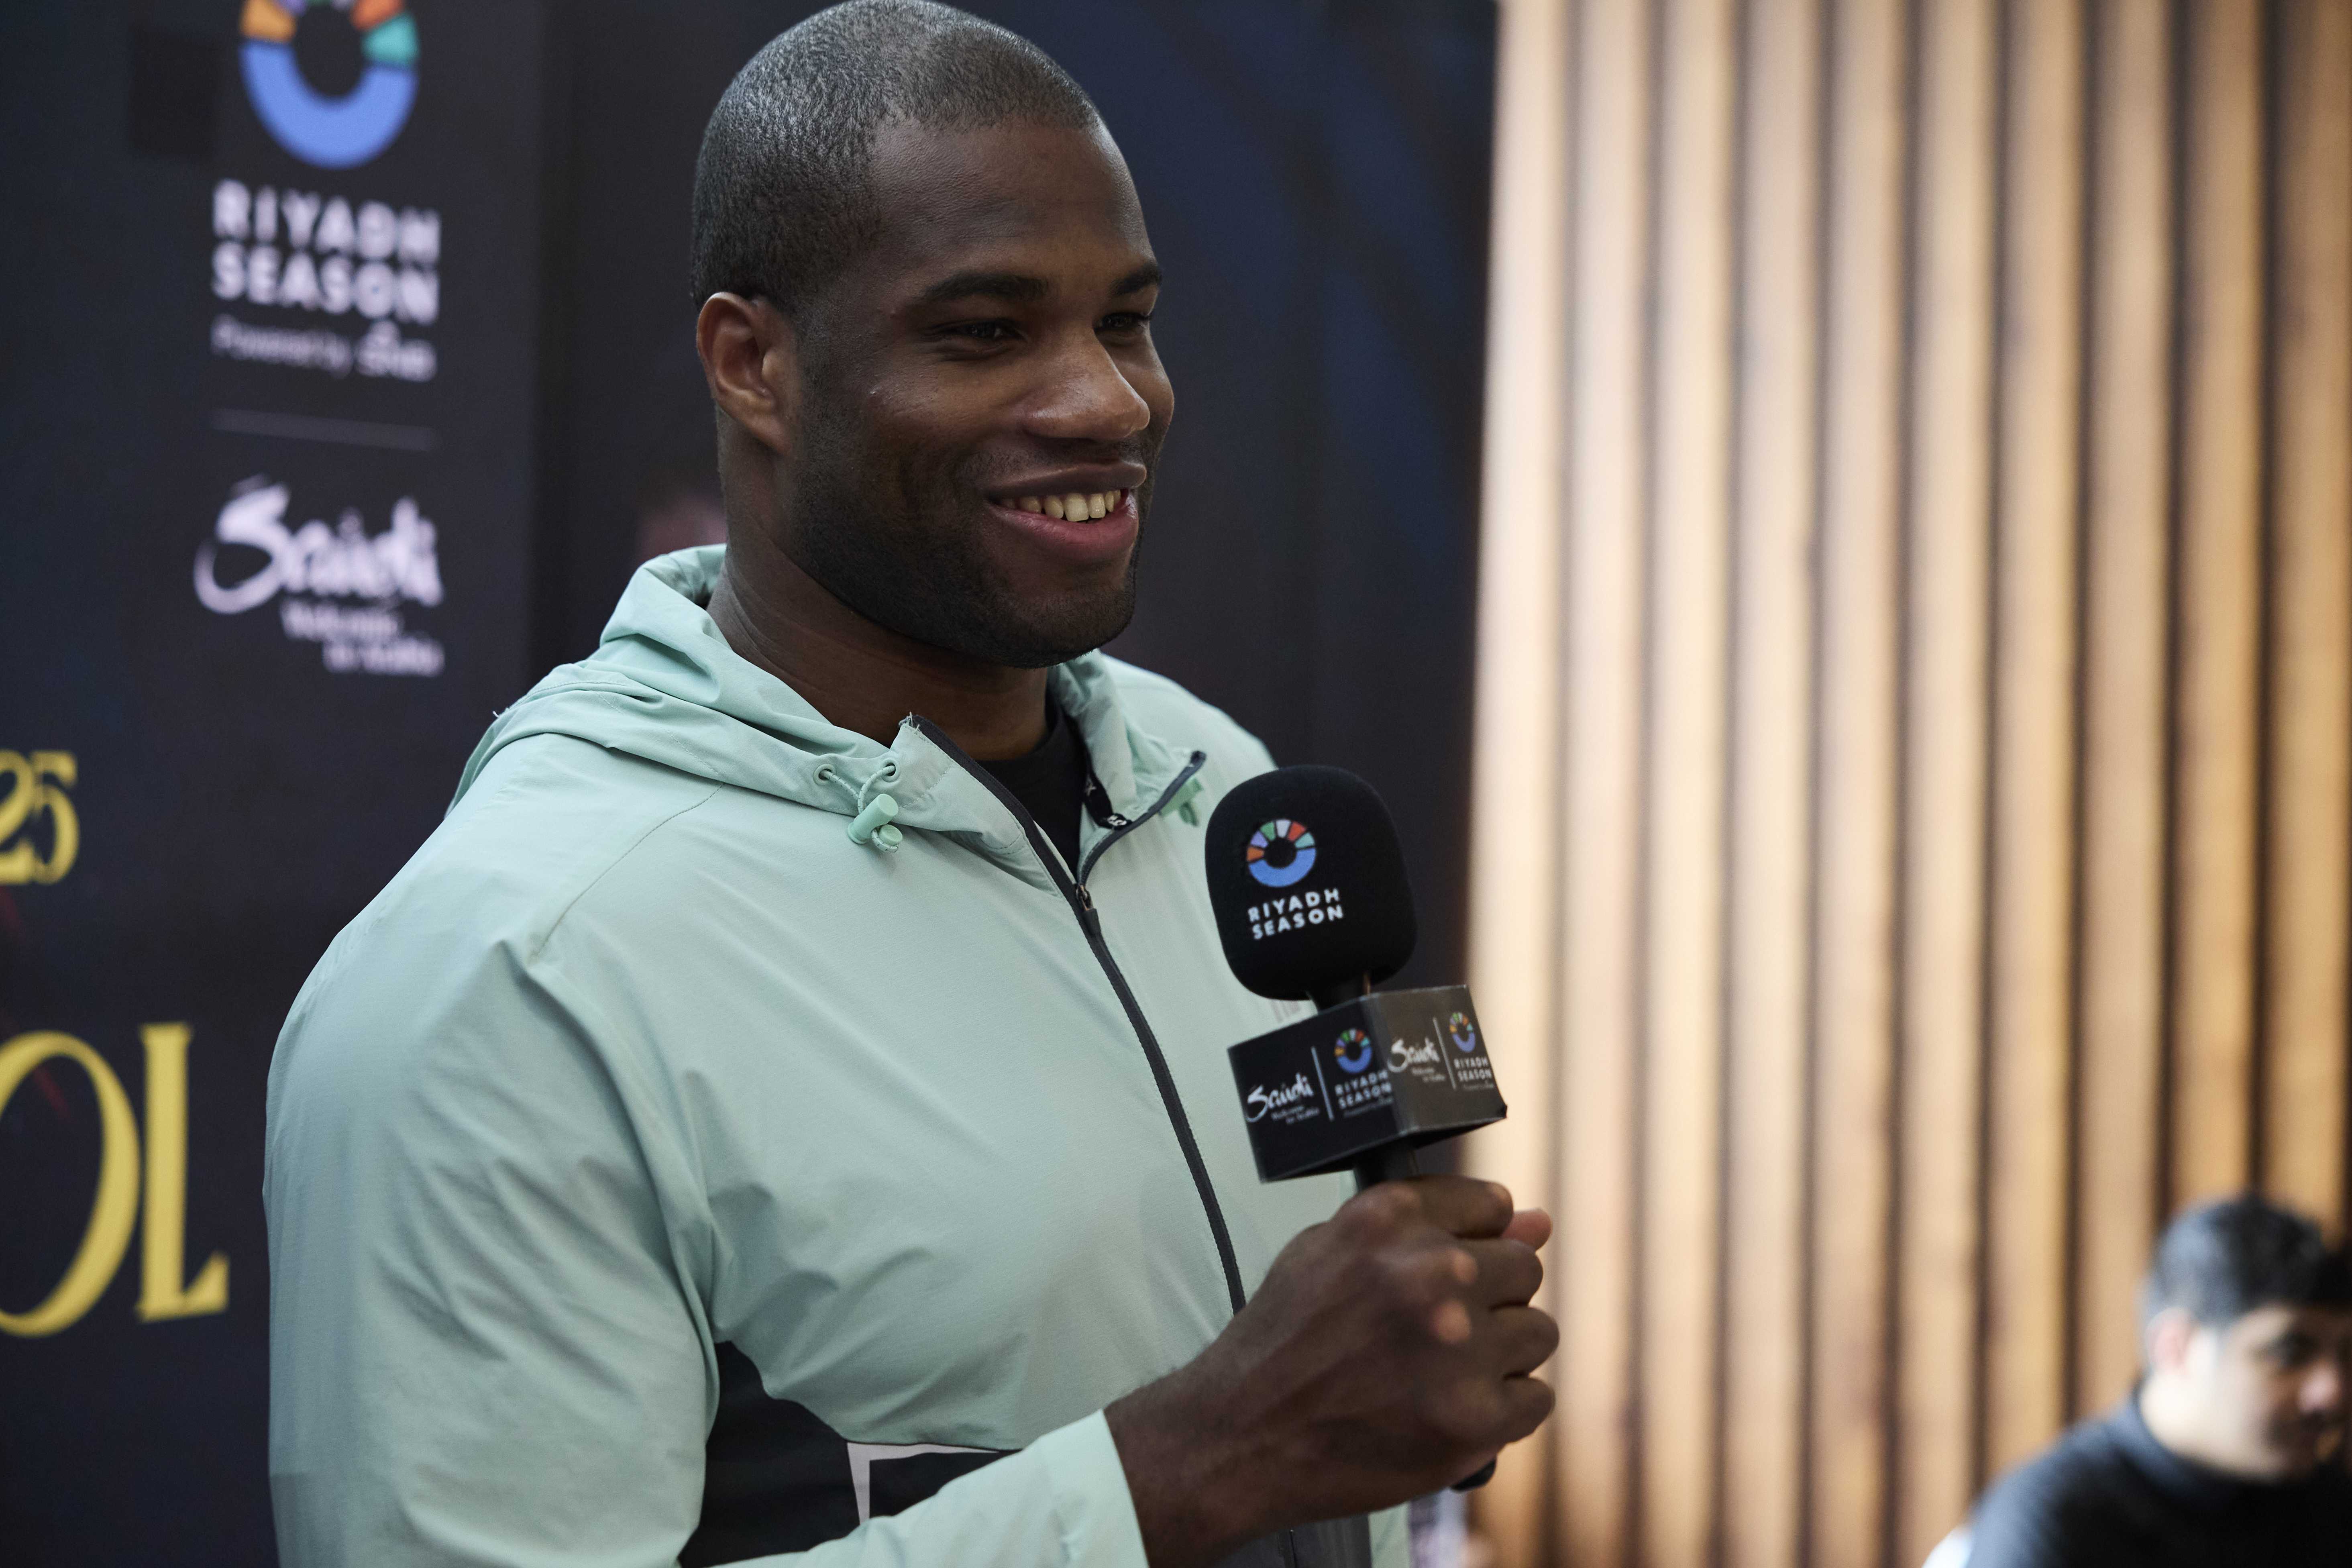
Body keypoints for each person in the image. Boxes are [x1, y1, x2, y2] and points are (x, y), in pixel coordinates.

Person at [262, 6, 1556, 1568]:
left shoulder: (1223, 790)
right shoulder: (507, 974)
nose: (1108, 401)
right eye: (983, 331)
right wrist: (1203, 1460)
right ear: (754, 364)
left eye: (1126, 319)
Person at [1962, 1194, 2352, 1566]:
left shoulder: (2325, 1507)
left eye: (2344, 1354)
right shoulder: (2048, 1521)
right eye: (2288, 1352)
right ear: (2175, 1348)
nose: (2332, 1392)